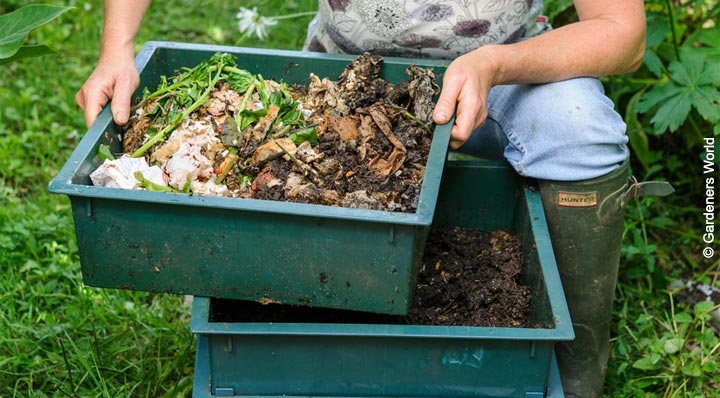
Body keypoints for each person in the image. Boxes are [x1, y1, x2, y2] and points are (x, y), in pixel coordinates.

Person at [76, 1, 649, 397]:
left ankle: (570, 374)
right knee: (277, 171)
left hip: (505, 77)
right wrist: (116, 49)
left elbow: (623, 33)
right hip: (347, 78)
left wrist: (494, 63)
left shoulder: (503, 67)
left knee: (581, 131)